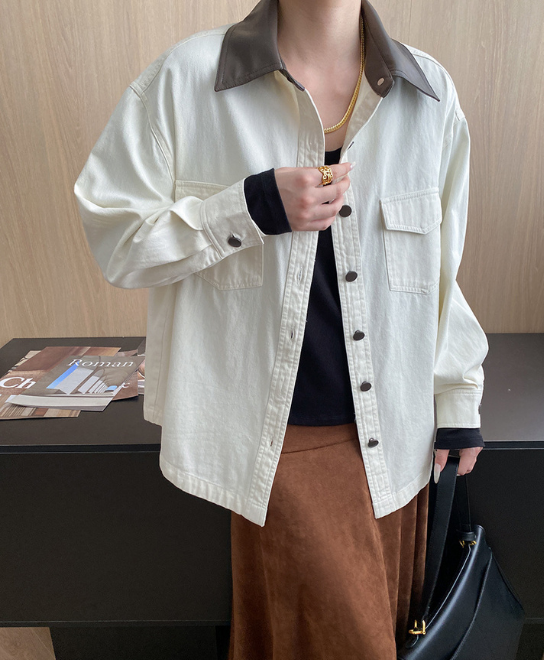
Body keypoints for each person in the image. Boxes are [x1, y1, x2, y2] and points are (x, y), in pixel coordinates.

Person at [73, 0, 489, 657]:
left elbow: (442, 270)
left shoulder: (428, 92)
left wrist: (457, 393)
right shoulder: (187, 81)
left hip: (397, 436)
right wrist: (247, 207)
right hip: (278, 443)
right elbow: (117, 240)